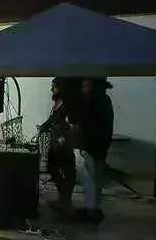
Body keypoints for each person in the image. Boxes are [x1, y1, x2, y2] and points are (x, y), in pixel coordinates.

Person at [74, 78, 114, 222]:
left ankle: (92, 213)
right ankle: (92, 209)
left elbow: (87, 125)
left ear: (94, 87)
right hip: (97, 146)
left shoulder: (95, 102)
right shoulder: (103, 100)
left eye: (86, 85)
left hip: (94, 146)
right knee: (93, 180)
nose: (83, 88)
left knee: (92, 181)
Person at [40, 78, 80, 214]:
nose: (52, 89)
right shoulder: (58, 102)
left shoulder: (68, 103)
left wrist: (65, 136)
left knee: (67, 168)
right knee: (52, 167)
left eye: (54, 87)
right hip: (56, 139)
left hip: (63, 141)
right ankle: (63, 198)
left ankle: (65, 200)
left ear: (61, 88)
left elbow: (73, 122)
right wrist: (44, 127)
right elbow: (54, 118)